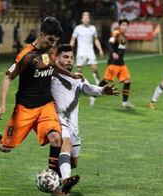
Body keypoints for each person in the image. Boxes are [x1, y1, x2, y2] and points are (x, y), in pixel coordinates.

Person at [0, 17, 80, 196]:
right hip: (25, 109)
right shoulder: (26, 55)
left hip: (46, 106)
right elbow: (8, 76)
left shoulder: (49, 50)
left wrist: (71, 74)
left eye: (55, 40)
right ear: (41, 35)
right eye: (50, 39)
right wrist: (2, 104)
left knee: (56, 139)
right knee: (5, 147)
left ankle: (55, 187)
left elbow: (53, 66)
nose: (52, 43)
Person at [51, 44, 119, 182]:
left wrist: (103, 90)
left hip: (74, 125)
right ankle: (65, 181)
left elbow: (88, 89)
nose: (69, 60)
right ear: (57, 58)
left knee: (74, 162)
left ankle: (53, 177)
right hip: (59, 121)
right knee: (66, 144)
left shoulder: (78, 78)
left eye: (71, 57)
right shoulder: (51, 75)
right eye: (65, 57)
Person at [96, 19, 134, 108]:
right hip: (113, 63)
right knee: (106, 81)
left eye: (126, 25)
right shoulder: (116, 33)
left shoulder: (124, 36)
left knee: (128, 81)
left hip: (121, 64)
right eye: (123, 25)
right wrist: (113, 53)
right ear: (120, 26)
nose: (125, 27)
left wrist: (119, 53)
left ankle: (125, 102)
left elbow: (121, 49)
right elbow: (109, 43)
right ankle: (93, 94)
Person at [70, 12, 104, 85]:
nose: (85, 19)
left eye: (87, 18)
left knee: (94, 68)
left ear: (89, 19)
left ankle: (99, 84)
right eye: (84, 18)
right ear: (82, 19)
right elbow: (73, 39)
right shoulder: (78, 28)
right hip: (81, 52)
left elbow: (96, 39)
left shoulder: (93, 28)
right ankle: (80, 85)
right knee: (79, 70)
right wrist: (69, 50)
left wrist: (100, 49)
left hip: (90, 51)